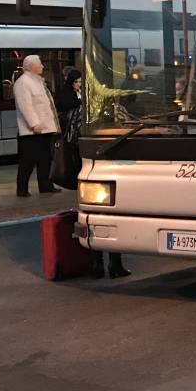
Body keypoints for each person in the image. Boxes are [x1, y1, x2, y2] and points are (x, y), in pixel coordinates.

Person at [55, 70, 131, 279]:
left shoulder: (79, 111)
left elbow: (70, 139)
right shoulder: (114, 111)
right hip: (110, 167)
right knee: (113, 215)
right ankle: (115, 265)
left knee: (91, 214)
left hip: (87, 168)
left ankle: (95, 264)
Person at [14, 54, 61, 197]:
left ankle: (45, 185)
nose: (42, 66)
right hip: (32, 132)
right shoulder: (23, 82)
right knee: (27, 161)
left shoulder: (38, 82)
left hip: (45, 129)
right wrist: (34, 124)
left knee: (45, 159)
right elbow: (25, 106)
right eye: (40, 64)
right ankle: (22, 189)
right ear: (32, 66)